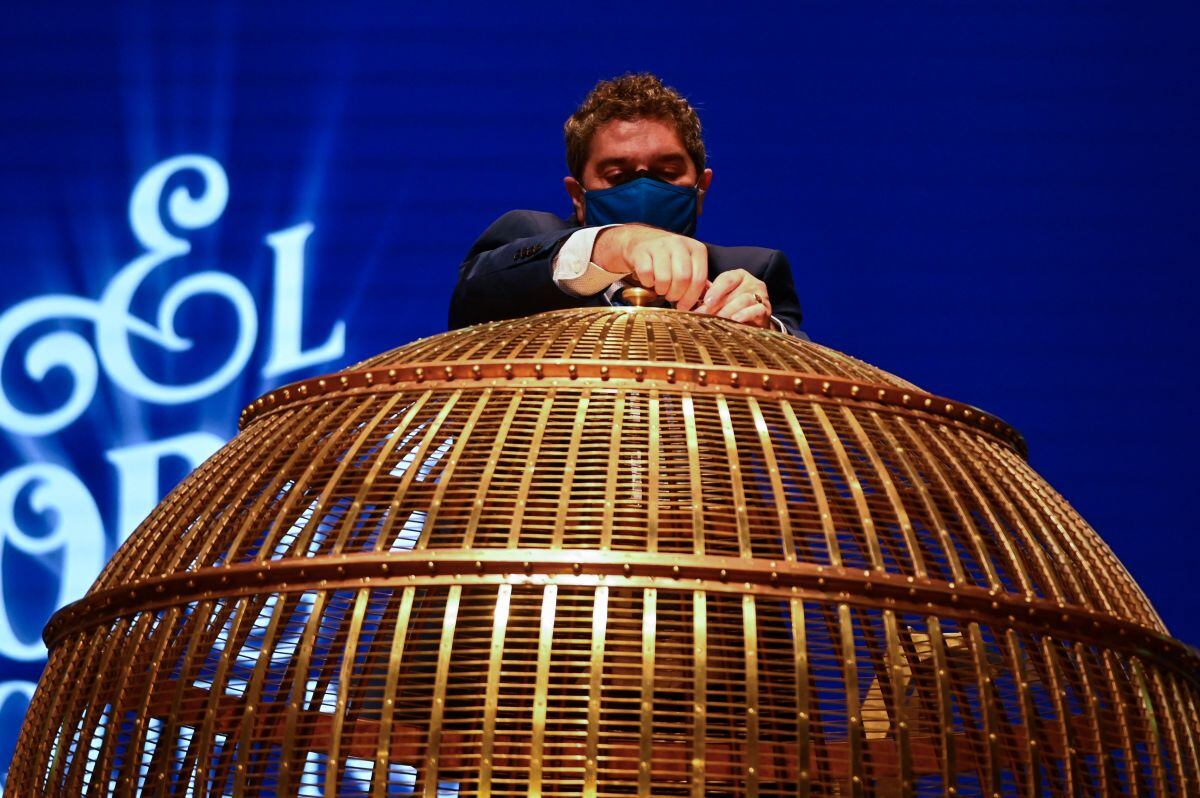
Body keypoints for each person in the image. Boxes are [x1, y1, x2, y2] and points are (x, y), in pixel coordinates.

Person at [448, 73, 804, 336]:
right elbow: (470, 301)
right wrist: (618, 244)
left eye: (666, 172)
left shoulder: (752, 269)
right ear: (578, 196)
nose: (643, 189)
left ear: (702, 188)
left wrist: (766, 330)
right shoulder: (527, 233)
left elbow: (812, 385)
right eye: (618, 176)